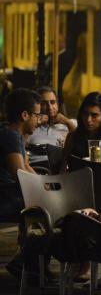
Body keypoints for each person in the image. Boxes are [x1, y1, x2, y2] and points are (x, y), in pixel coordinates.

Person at [0, 89, 41, 222]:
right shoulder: (10, 135)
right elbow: (20, 176)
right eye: (36, 115)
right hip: (6, 199)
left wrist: (45, 184)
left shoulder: (14, 134)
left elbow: (26, 166)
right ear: (25, 115)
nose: (39, 121)